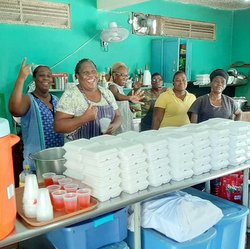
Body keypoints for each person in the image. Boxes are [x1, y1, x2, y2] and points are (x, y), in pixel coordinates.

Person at [9, 58, 64, 172]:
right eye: (41, 75)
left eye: (49, 76)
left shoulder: (56, 100)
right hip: (37, 161)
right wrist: (21, 78)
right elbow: (15, 110)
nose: (46, 78)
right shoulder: (29, 99)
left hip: (58, 158)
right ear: (34, 78)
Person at [54, 58, 121, 140]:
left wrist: (114, 126)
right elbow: (58, 126)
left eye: (93, 71)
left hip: (105, 146)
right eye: (86, 72)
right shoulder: (71, 95)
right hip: (80, 149)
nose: (91, 75)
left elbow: (118, 115)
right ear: (77, 76)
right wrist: (84, 118)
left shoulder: (107, 93)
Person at [109, 62, 144, 133]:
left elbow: (124, 98)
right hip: (119, 124)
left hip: (126, 121)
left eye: (126, 75)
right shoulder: (112, 86)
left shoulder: (120, 88)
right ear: (114, 75)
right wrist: (129, 98)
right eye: (122, 75)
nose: (125, 78)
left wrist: (134, 89)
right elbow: (116, 95)